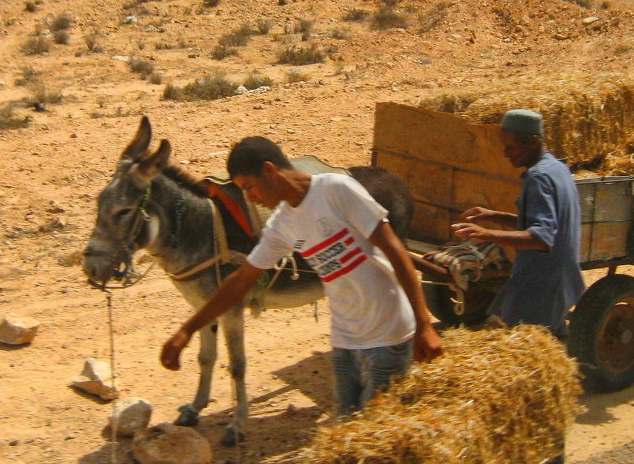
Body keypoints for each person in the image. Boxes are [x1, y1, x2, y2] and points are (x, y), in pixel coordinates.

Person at [160, 136, 442, 418]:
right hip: (346, 343)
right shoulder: (283, 223)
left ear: (270, 170)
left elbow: (396, 252)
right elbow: (240, 281)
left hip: (389, 337)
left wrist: (424, 324)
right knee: (347, 429)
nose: (250, 198)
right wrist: (187, 331)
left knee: (379, 432)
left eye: (248, 187)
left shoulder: (337, 189)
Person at [452, 109, 584, 336]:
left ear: (533, 142)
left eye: (511, 147)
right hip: (558, 278)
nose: (506, 154)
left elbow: (542, 238)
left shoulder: (538, 178)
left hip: (541, 285)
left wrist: (487, 235)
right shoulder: (557, 168)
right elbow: (543, 224)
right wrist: (494, 216)